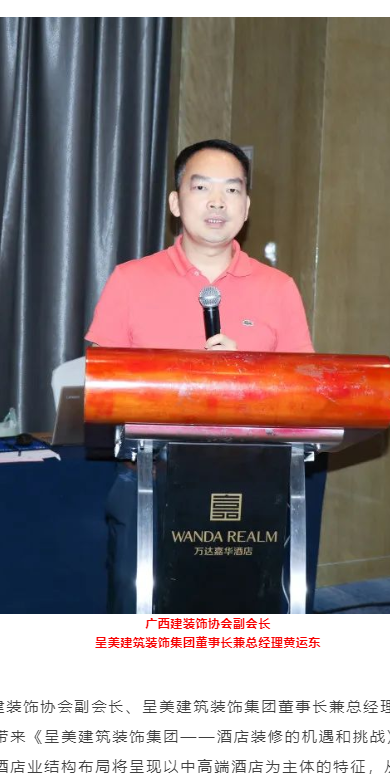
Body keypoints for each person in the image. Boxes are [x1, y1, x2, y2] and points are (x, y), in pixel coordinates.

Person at [86, 138, 315, 613]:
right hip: (150, 479)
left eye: (232, 190)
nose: (217, 202)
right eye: (202, 187)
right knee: (142, 617)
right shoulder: (130, 280)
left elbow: (304, 395)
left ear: (246, 207)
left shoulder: (279, 288)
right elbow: (103, 386)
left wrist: (248, 375)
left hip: (254, 485)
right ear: (176, 202)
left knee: (244, 619)